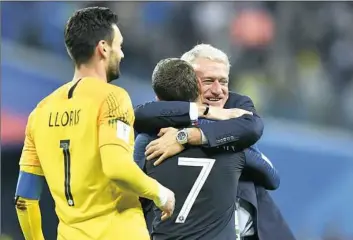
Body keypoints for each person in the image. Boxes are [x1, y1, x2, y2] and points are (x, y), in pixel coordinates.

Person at [14, 7, 175, 240]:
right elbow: (117, 168)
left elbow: (24, 199)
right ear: (103, 48)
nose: (121, 54)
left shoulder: (39, 112)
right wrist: (161, 194)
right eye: (119, 46)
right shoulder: (113, 98)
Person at [134, 44, 296, 240]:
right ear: (187, 82)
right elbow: (141, 114)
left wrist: (188, 136)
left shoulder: (236, 105)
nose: (218, 90)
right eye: (208, 81)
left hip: (250, 227)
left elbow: (253, 127)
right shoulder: (156, 128)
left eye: (224, 81)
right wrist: (203, 113)